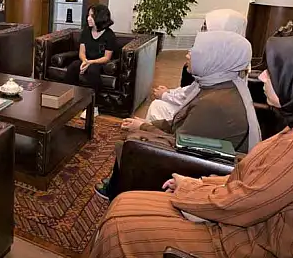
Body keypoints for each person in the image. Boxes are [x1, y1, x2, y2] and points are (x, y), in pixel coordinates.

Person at [85, 33, 293, 258]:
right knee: (124, 203)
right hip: (248, 227)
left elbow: (241, 203)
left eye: (274, 72)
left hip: (249, 251)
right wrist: (198, 184)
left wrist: (189, 189)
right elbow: (254, 185)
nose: (262, 76)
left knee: (121, 228)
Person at [95, 30, 261, 200]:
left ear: (214, 58)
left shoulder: (215, 104)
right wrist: (148, 125)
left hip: (197, 165)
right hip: (198, 152)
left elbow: (179, 143)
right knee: (137, 131)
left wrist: (144, 128)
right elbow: (181, 124)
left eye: (195, 50)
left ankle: (116, 190)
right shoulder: (218, 86)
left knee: (133, 141)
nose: (188, 54)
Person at [147, 9, 248, 122]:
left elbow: (197, 97)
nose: (202, 31)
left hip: (202, 118)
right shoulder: (236, 56)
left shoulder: (219, 62)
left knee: (157, 107)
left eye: (206, 27)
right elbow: (194, 89)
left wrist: (166, 95)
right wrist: (170, 92)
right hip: (199, 112)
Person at [64, 4, 120, 119]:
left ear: (100, 17)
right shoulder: (86, 32)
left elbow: (107, 57)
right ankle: (70, 100)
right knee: (73, 66)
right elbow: (81, 52)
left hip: (100, 63)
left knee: (93, 71)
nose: (88, 18)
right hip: (86, 60)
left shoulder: (109, 35)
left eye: (92, 16)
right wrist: (85, 61)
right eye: (88, 15)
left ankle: (94, 107)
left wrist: (91, 62)